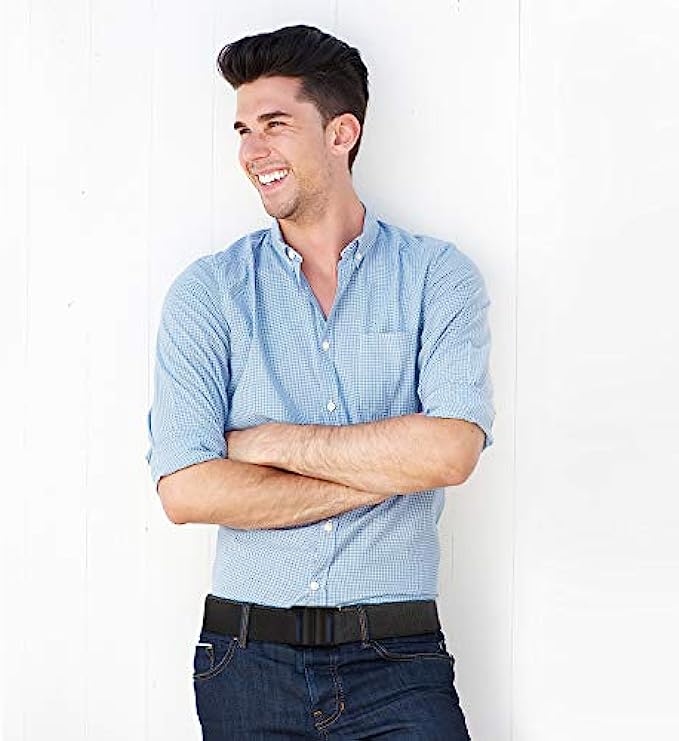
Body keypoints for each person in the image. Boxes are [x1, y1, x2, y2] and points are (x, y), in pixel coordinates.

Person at [145, 23, 494, 740]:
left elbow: (451, 451)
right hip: (245, 659)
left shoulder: (436, 277)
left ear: (341, 132)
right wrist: (390, 470)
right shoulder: (208, 293)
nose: (252, 152)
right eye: (243, 130)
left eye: (274, 124)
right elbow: (187, 491)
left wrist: (270, 443)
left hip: (398, 656)